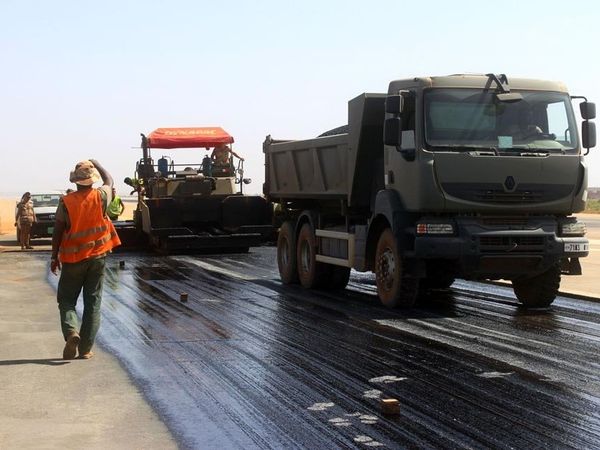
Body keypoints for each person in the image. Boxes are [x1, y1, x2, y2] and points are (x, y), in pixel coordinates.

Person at [50, 160, 121, 360]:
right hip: (98, 257)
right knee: (93, 302)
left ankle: (72, 331)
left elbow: (57, 230)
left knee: (66, 300)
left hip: (73, 259)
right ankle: (85, 349)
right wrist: (97, 162)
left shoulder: (66, 202)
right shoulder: (101, 196)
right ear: (92, 180)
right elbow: (109, 179)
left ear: (75, 182)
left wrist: (54, 257)